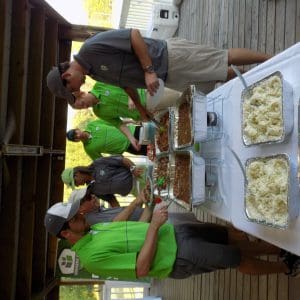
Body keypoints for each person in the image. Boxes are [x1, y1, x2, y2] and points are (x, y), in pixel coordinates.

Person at [46, 28, 271, 120]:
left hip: (169, 57)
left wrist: (148, 71)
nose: (78, 90)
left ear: (66, 77)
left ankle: (272, 60)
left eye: (73, 89)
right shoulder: (93, 73)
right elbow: (126, 85)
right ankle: (259, 74)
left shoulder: (90, 49)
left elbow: (133, 35)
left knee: (222, 58)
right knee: (217, 73)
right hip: (168, 76)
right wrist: (142, 110)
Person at [44, 200, 300, 280]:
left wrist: (145, 204)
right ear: (66, 233)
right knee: (235, 258)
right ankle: (287, 266)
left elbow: (138, 229)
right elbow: (141, 267)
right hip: (178, 256)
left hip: (174, 232)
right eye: (74, 216)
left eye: (76, 210)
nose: (80, 213)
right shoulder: (91, 260)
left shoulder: (94, 229)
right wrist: (155, 225)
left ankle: (283, 249)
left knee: (231, 238)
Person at [72, 81, 181, 126]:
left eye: (82, 104)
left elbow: (124, 78)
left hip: (148, 97)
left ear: (82, 94)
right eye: (82, 108)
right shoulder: (98, 113)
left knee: (180, 98)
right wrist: (132, 139)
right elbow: (119, 124)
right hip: (148, 116)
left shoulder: (100, 83)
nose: (85, 107)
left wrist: (130, 96)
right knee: (179, 119)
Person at [61, 155, 147, 207]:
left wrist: (133, 168)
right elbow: (111, 199)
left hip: (139, 174)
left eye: (75, 182)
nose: (78, 185)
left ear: (77, 174)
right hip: (135, 191)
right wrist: (117, 212)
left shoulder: (98, 163)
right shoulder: (93, 190)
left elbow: (122, 160)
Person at [66, 119, 147, 160]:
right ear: (76, 141)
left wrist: (132, 121)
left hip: (134, 131)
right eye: (75, 138)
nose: (78, 136)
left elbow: (114, 121)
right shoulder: (89, 149)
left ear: (77, 129)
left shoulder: (92, 124)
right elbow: (103, 161)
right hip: (130, 147)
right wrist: (119, 158)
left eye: (75, 133)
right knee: (154, 152)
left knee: (158, 134)